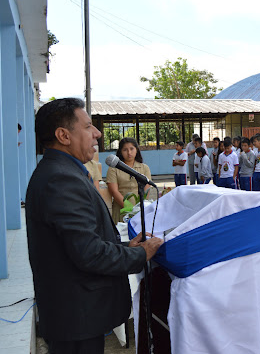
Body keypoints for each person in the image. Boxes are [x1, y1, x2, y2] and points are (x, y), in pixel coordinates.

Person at [26, 98, 162, 353]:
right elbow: (88, 253)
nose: (97, 133)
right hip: (76, 317)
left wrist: (125, 245)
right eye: (88, 126)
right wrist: (140, 254)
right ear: (63, 135)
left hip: (77, 314)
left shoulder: (63, 172)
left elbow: (77, 243)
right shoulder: (61, 179)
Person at [106, 138, 152, 223]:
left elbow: (147, 190)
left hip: (139, 211)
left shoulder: (144, 168)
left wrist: (139, 208)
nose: (129, 153)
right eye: (125, 150)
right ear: (120, 151)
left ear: (137, 150)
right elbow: (114, 191)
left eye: (132, 149)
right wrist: (129, 208)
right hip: (121, 210)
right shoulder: (113, 169)